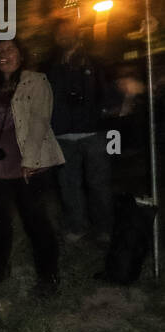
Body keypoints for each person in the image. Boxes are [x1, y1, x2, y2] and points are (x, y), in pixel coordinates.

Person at [0, 37, 64, 295]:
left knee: (36, 223)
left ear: (21, 55)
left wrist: (30, 161)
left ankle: (49, 278)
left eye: (10, 49)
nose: (3, 54)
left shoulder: (36, 81)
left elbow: (39, 121)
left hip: (27, 165)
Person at [44, 19, 113, 243]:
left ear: (76, 33)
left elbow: (109, 89)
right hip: (62, 134)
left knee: (99, 184)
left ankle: (104, 228)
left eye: (67, 31)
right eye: (59, 32)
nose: (63, 35)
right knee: (68, 185)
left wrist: (104, 112)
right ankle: (77, 225)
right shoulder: (50, 64)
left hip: (93, 132)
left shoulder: (93, 59)